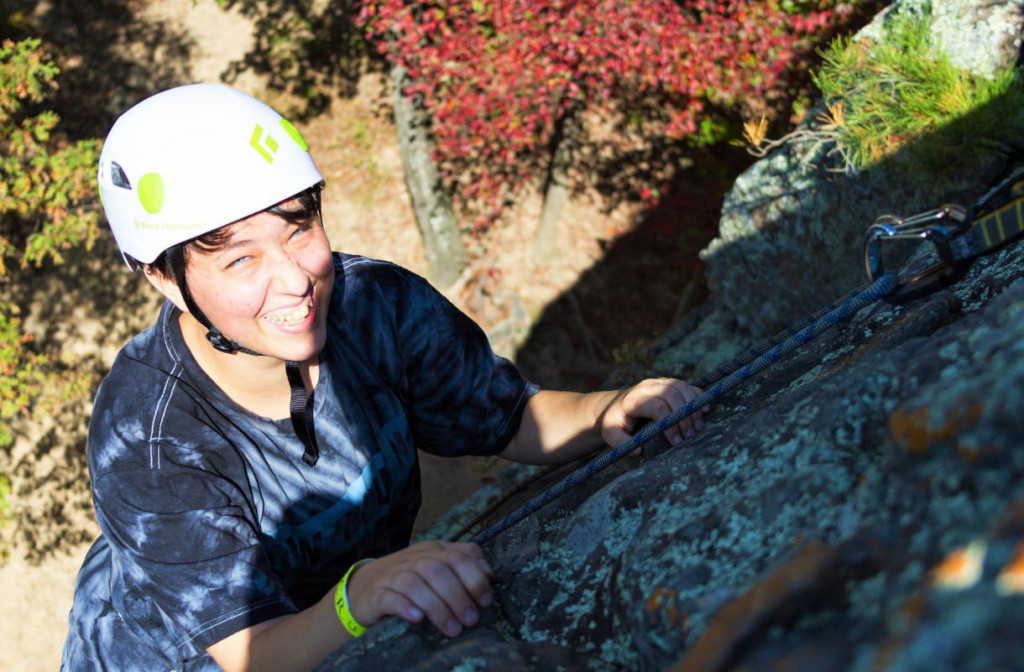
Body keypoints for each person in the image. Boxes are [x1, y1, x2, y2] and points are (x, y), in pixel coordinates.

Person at [61, 83, 708, 672]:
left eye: (298, 227)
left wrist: (607, 411)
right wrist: (360, 595)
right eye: (240, 260)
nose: (294, 279)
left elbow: (506, 416)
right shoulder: (149, 439)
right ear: (164, 278)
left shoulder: (375, 307)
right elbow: (252, 652)